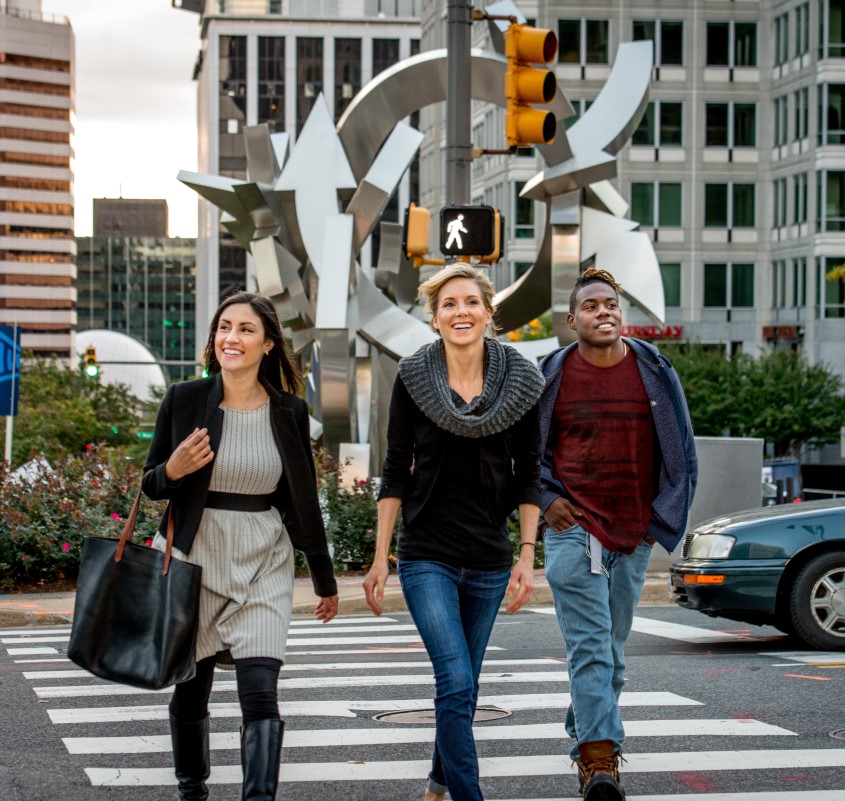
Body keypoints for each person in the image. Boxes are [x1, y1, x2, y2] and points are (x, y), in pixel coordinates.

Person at [142, 291, 339, 801]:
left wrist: (324, 580)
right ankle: (192, 789)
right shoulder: (185, 400)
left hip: (264, 560)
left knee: (260, 692)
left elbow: (301, 500)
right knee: (192, 692)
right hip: (196, 559)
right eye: (225, 327)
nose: (232, 338)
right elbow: (150, 483)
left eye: (247, 330)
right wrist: (173, 470)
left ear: (268, 344)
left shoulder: (289, 411)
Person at [362, 263, 544, 801]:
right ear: (435, 318)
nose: (460, 312)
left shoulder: (522, 382)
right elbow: (395, 470)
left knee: (463, 686)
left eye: (470, 302)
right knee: (457, 681)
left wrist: (527, 556)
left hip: (489, 557)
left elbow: (530, 474)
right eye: (448, 304)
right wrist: (380, 558)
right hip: (427, 556)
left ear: (489, 313)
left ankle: (439, 779)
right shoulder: (413, 379)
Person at [537, 268, 698, 801]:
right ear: (572, 319)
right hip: (573, 528)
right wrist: (545, 500)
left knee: (612, 651)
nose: (603, 311)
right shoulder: (551, 375)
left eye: (611, 304)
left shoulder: (655, 369)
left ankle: (583, 728)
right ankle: (600, 763)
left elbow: (683, 451)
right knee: (591, 649)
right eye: (591, 306)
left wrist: (657, 524)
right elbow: (524, 453)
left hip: (634, 530)